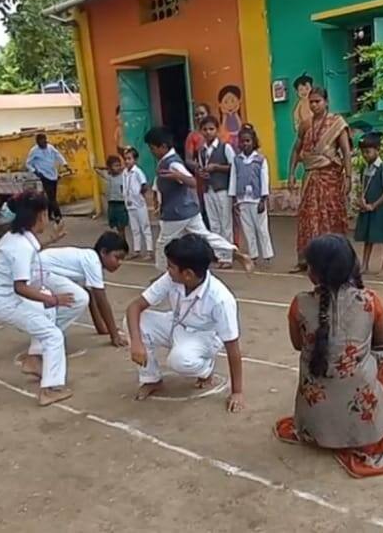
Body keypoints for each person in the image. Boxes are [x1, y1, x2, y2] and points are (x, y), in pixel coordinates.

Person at [274, 234, 383, 478]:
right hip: (362, 422)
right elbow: (382, 344)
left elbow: (298, 345)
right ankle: (373, 413)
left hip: (312, 425)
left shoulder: (299, 304)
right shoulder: (369, 301)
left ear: (314, 274)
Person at [125, 234, 245, 412]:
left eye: (171, 267)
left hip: (204, 336)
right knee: (133, 323)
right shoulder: (171, 277)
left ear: (188, 274)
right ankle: (151, 379)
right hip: (176, 323)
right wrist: (136, 342)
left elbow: (233, 347)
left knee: (179, 360)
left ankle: (206, 369)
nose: (167, 270)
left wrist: (237, 392)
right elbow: (135, 307)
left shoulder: (220, 299)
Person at [0, 191, 76, 407]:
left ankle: (34, 359)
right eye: (46, 215)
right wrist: (53, 299)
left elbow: (30, 254)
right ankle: (50, 389)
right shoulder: (20, 246)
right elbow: (20, 287)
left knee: (46, 311)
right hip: (3, 301)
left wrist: (52, 239)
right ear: (40, 216)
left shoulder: (18, 237)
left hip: (4, 296)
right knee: (53, 335)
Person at [144, 126, 253, 273]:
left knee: (163, 244)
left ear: (163, 146)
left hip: (177, 214)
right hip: (188, 211)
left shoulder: (173, 163)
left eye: (152, 148)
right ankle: (235, 253)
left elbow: (193, 182)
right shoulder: (165, 161)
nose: (152, 152)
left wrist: (179, 177)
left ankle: (163, 277)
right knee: (206, 237)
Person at [288, 87, 352, 272]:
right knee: (309, 217)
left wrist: (348, 176)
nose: (314, 105)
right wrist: (292, 173)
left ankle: (335, 258)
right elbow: (296, 150)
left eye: (318, 101)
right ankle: (307, 259)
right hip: (310, 177)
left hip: (330, 177)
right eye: (312, 102)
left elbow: (346, 152)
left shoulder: (337, 123)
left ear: (326, 102)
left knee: (330, 216)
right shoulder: (305, 124)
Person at [40, 232, 129, 348]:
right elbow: (101, 300)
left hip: (43, 270)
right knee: (79, 298)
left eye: (122, 259)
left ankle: (46, 330)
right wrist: (114, 335)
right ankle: (47, 332)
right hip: (40, 270)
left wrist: (101, 328)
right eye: (117, 257)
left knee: (81, 296)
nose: (120, 263)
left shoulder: (90, 260)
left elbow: (92, 297)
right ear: (103, 252)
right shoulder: (93, 261)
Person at [228, 124, 274, 266]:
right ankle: (253, 254)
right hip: (243, 199)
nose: (245, 144)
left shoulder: (260, 160)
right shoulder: (237, 160)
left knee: (261, 228)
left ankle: (267, 254)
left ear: (254, 142)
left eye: (248, 141)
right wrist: (234, 198)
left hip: (256, 199)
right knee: (248, 229)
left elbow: (264, 179)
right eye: (242, 141)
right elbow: (233, 178)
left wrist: (263, 199)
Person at [353, 133, 383, 275]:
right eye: (363, 152)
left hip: (380, 208)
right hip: (367, 208)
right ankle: (365, 264)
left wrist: (375, 204)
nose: (365, 155)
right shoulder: (365, 168)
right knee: (368, 237)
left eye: (368, 152)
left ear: (377, 150)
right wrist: (362, 201)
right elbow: (362, 186)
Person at [197, 115, 236, 268]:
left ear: (217, 130)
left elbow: (233, 167)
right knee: (214, 224)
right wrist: (203, 173)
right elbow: (200, 167)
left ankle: (228, 256)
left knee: (225, 223)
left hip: (222, 189)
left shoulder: (225, 147)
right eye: (205, 129)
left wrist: (216, 168)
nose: (208, 132)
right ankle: (219, 254)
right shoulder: (201, 151)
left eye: (211, 129)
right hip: (208, 189)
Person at [25, 133, 71, 223]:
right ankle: (58, 216)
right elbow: (28, 163)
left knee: (52, 196)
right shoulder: (34, 151)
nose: (44, 143)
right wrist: (35, 171)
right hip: (44, 175)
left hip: (53, 174)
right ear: (38, 142)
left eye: (45, 141)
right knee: (52, 197)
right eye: (42, 142)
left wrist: (65, 165)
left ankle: (49, 215)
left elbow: (58, 155)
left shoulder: (50, 147)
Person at [122, 147, 153, 260]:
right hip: (129, 204)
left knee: (145, 226)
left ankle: (149, 250)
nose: (127, 161)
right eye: (125, 159)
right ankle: (137, 250)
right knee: (134, 228)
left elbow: (144, 184)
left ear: (135, 160)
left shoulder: (138, 171)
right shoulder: (125, 172)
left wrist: (139, 195)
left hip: (139, 203)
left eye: (129, 159)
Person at [185, 103, 212, 228]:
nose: (199, 117)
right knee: (205, 209)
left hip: (219, 177)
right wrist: (199, 168)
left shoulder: (219, 133)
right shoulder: (192, 136)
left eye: (202, 113)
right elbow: (188, 159)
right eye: (196, 115)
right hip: (201, 179)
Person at [98, 155, 128, 238]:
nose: (118, 168)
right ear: (110, 167)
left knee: (121, 227)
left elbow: (126, 167)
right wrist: (107, 168)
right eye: (115, 166)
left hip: (121, 204)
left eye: (119, 165)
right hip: (112, 204)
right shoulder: (109, 176)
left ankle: (123, 244)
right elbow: (96, 169)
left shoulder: (123, 176)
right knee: (117, 227)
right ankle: (122, 243)